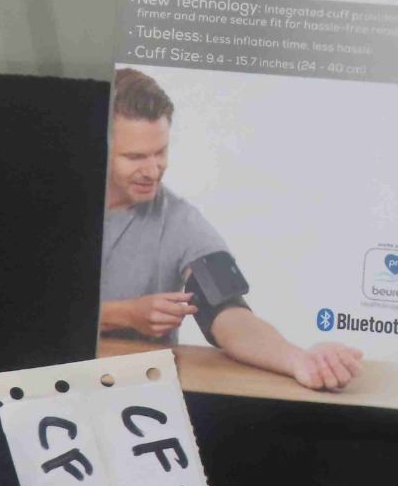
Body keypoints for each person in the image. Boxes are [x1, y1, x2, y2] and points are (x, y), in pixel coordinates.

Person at [99, 68, 364, 392]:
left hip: (132, 395)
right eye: (135, 157)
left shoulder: (181, 223)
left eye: (160, 152)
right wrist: (124, 314)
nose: (153, 170)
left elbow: (227, 312)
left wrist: (298, 359)